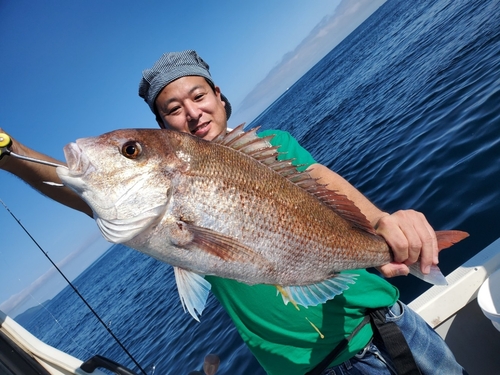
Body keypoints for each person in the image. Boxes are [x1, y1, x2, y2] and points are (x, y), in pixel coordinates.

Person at [0, 50, 466, 375]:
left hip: (380, 331)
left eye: (198, 95)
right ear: (167, 129)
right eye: (173, 109)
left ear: (219, 96)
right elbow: (68, 183)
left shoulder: (274, 148)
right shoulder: (141, 206)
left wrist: (386, 231)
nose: (193, 112)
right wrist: (7, 151)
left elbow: (336, 192)